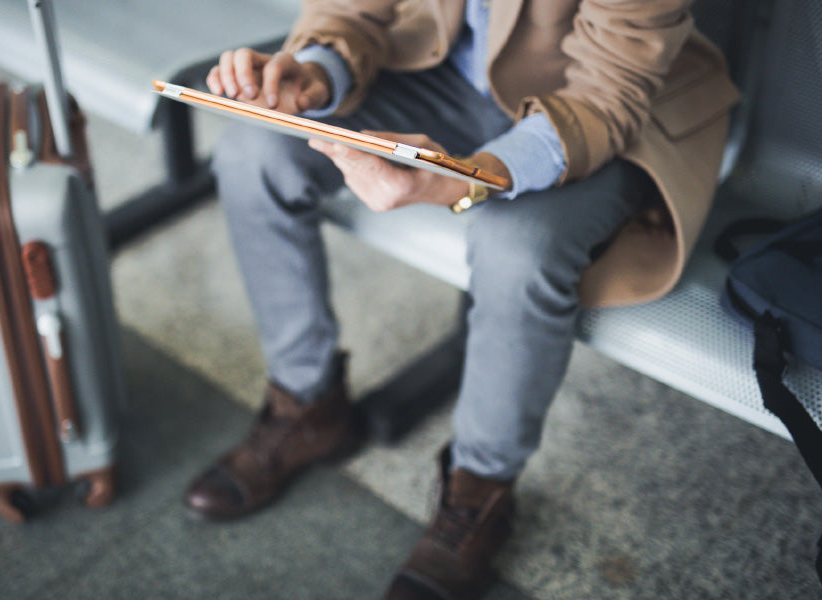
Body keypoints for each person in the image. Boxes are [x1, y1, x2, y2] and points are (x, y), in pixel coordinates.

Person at [183, 1, 739, 598]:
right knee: (251, 152)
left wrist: (469, 177)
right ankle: (306, 406)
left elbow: (608, 97)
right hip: (448, 73)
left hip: (606, 116)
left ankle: (480, 491)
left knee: (516, 246)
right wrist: (319, 72)